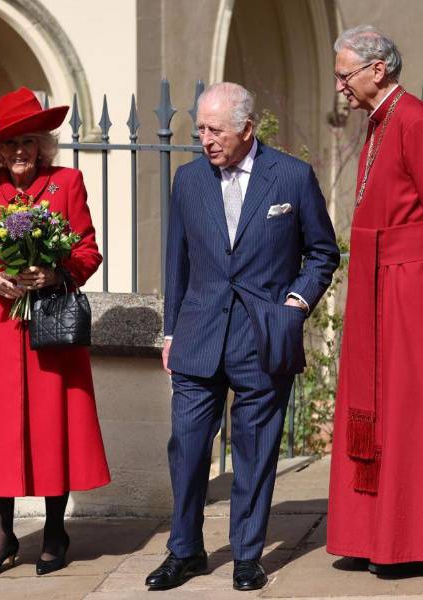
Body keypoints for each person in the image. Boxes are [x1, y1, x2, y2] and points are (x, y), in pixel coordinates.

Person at [150, 82, 339, 592]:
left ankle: (247, 555)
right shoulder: (188, 180)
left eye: (215, 130)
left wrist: (295, 306)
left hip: (264, 338)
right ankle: (184, 550)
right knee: (187, 449)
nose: (205, 140)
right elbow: (178, 264)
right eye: (200, 130)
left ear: (247, 129)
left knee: (256, 452)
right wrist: (170, 332)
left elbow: (323, 253)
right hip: (197, 337)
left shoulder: (292, 177)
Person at [326, 26, 423, 574]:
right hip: (377, 281)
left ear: (378, 70)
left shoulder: (414, 120)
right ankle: (374, 535)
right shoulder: (378, 122)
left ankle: (417, 540)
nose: (340, 87)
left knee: (410, 411)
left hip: (410, 286)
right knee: (375, 408)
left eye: (345, 74)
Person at [0, 87, 110, 580]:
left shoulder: (67, 182)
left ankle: (56, 530)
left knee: (51, 426)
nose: (20, 152)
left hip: (49, 328)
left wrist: (57, 274)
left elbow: (87, 251)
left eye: (30, 143)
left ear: (44, 145)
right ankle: (3, 533)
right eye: (12, 144)